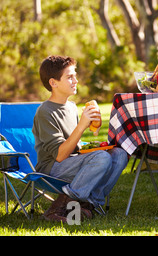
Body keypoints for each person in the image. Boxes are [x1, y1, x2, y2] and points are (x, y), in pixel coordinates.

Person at [32, 55, 128, 223]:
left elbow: (75, 145)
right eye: (69, 77)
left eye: (75, 75)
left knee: (119, 154)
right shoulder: (45, 112)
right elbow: (60, 155)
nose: (75, 80)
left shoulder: (71, 106)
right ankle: (61, 207)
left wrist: (93, 140)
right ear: (53, 83)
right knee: (102, 159)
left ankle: (89, 204)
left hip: (72, 161)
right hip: (51, 168)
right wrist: (82, 126)